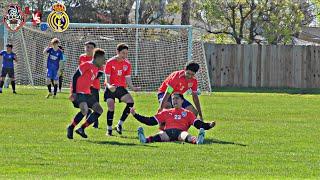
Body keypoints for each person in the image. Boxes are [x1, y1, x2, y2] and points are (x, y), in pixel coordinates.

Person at [130, 93, 215, 144]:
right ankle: (144, 140)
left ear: (182, 101)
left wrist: (209, 125)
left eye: (177, 98)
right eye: (173, 99)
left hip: (180, 133)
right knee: (159, 135)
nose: (174, 101)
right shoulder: (166, 112)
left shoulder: (188, 113)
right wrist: (135, 114)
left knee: (186, 135)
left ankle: (197, 141)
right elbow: (150, 121)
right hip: (167, 133)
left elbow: (198, 124)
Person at [66, 48, 106, 139]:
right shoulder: (86, 65)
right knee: (84, 110)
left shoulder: (96, 68)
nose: (104, 61)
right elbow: (75, 76)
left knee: (99, 110)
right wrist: (74, 92)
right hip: (78, 92)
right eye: (103, 59)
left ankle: (82, 128)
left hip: (87, 93)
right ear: (98, 58)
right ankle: (71, 127)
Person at [104, 43, 140, 136]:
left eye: (126, 53)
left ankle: (119, 124)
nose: (125, 55)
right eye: (123, 53)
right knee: (111, 107)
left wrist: (133, 88)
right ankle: (109, 130)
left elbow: (128, 78)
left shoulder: (127, 64)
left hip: (120, 88)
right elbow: (107, 79)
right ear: (117, 52)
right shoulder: (110, 62)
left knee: (131, 102)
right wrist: (109, 86)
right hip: (111, 88)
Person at [78, 41, 101, 128]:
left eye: (91, 47)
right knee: (85, 104)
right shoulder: (81, 57)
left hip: (94, 85)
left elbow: (100, 72)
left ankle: (95, 123)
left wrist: (91, 78)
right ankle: (88, 120)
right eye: (87, 47)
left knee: (96, 105)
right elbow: (80, 69)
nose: (89, 49)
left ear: (94, 49)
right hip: (84, 86)